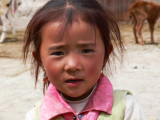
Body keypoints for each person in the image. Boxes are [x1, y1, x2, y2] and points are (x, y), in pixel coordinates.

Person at [24, 0, 146, 120]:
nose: (72, 65)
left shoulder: (127, 109)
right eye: (58, 53)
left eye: (86, 51)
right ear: (40, 60)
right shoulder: (35, 116)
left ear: (106, 55)